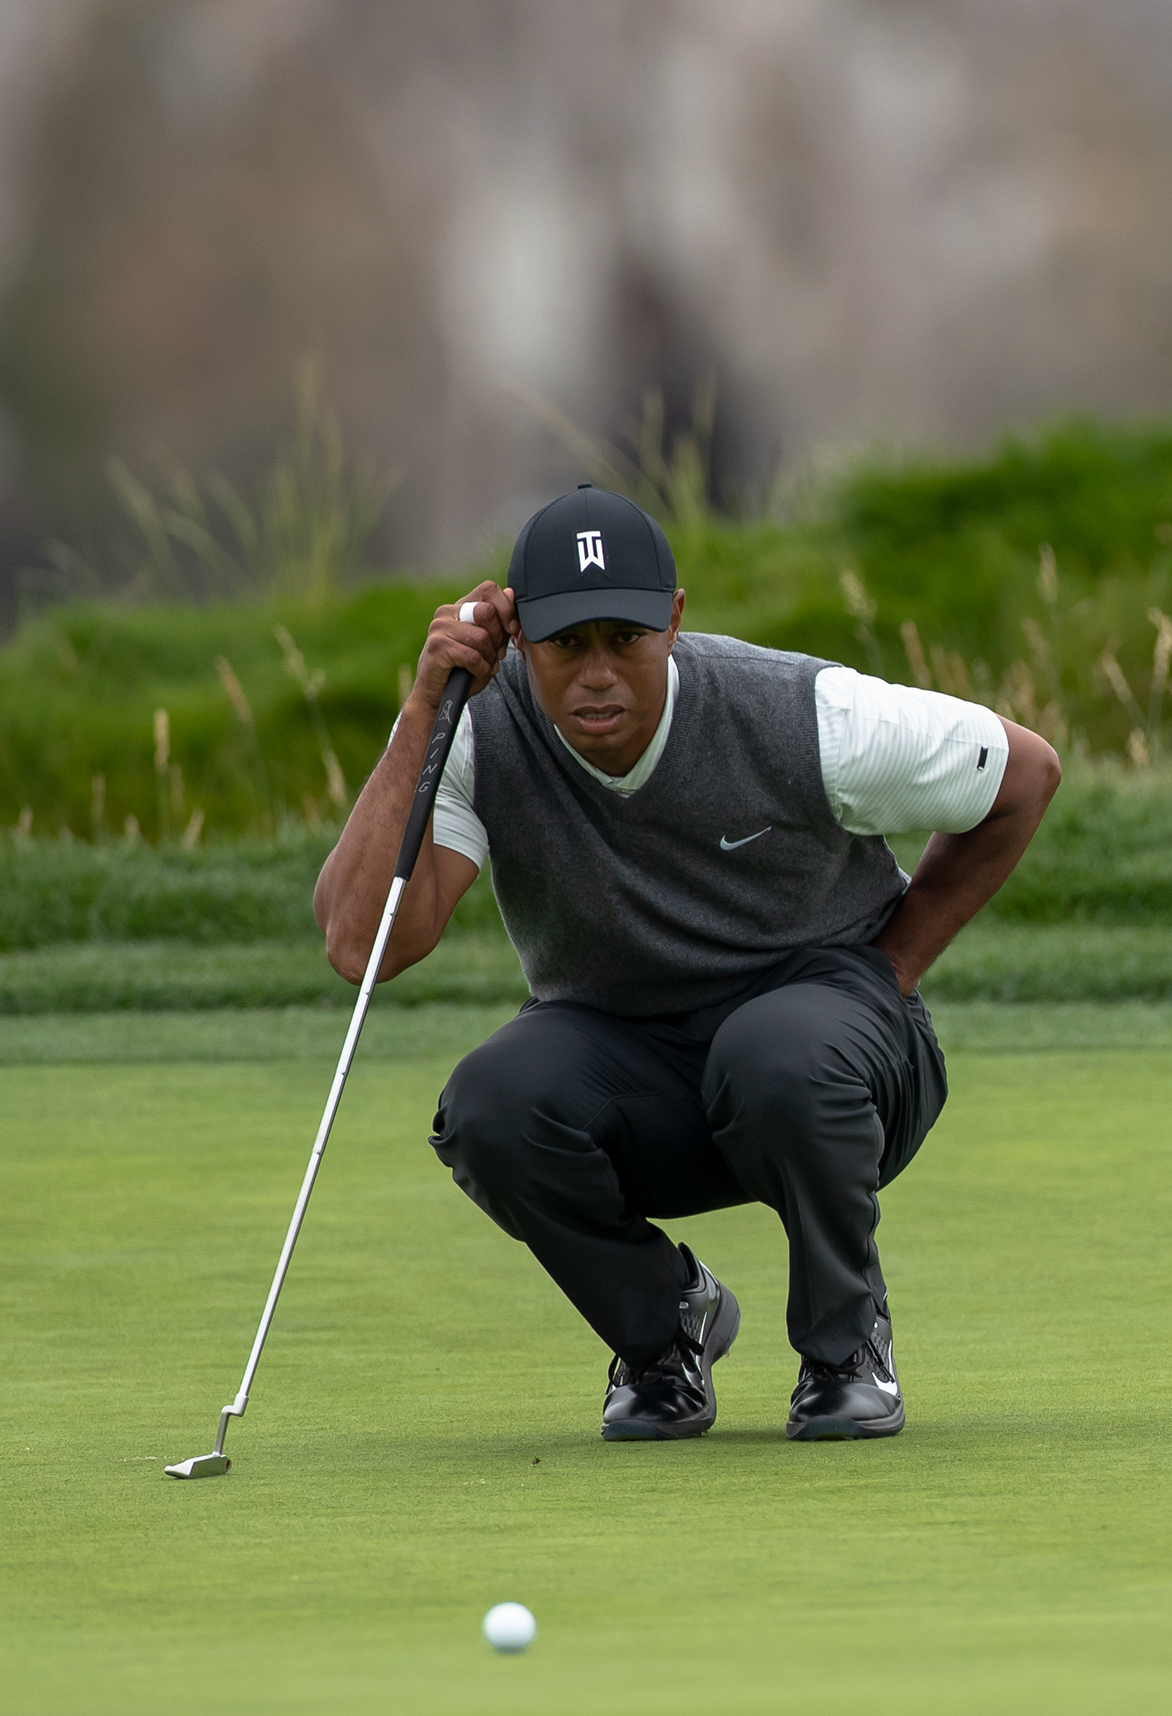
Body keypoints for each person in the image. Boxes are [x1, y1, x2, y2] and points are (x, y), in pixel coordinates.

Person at [319, 483, 1061, 1445]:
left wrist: (891, 970)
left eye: (623, 639)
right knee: (492, 1104)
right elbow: (364, 942)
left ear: (672, 620)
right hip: (634, 1069)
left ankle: (847, 1351)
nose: (596, 675)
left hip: (833, 1055)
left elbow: (1025, 773)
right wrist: (426, 705)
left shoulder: (803, 712)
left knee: (775, 1050)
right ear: (521, 639)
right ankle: (665, 1331)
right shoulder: (478, 726)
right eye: (564, 645)